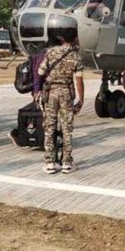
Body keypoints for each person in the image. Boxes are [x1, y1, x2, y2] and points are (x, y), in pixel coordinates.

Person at [38, 29, 84, 174]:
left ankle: (50, 163)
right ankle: (66, 163)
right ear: (75, 39)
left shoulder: (51, 52)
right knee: (67, 129)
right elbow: (79, 80)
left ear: (63, 38)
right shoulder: (76, 57)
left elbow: (40, 72)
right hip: (66, 94)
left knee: (49, 128)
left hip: (51, 93)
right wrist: (81, 99)